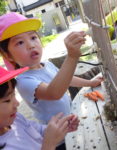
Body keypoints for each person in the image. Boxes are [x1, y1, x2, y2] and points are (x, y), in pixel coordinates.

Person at [0, 12, 102, 149]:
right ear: (8, 55)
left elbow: (65, 79)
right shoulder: (23, 81)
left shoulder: (46, 64)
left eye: (33, 37)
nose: (31, 45)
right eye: (20, 42)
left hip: (66, 126)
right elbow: (53, 92)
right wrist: (71, 57)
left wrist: (90, 83)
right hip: (56, 140)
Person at [0, 66, 79, 150]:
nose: (17, 103)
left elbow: (38, 130)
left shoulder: (16, 119)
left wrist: (60, 128)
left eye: (14, 95)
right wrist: (49, 145)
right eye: (7, 100)